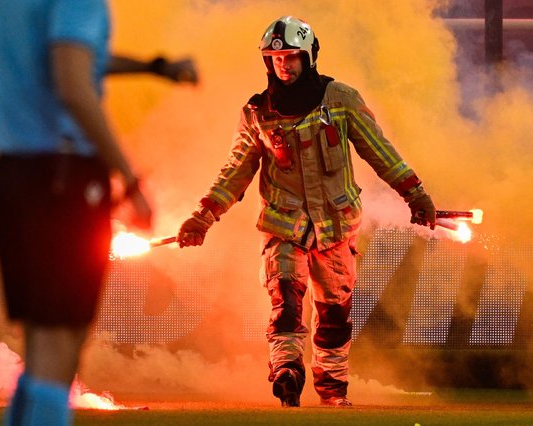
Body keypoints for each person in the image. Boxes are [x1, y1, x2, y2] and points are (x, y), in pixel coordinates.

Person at [177, 16, 436, 408]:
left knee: (334, 318)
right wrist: (203, 216)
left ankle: (332, 391)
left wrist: (415, 194)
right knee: (286, 300)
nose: (283, 64)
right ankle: (287, 373)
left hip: (336, 228)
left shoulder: (341, 100)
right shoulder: (256, 114)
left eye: (292, 56)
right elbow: (234, 172)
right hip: (283, 227)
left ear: (309, 56)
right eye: (275, 57)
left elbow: (381, 151)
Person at [0, 1, 195, 424]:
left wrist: (153, 68)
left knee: (42, 344)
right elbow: (72, 81)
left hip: (15, 171)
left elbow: (74, 57)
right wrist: (130, 179)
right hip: (61, 178)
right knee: (60, 343)